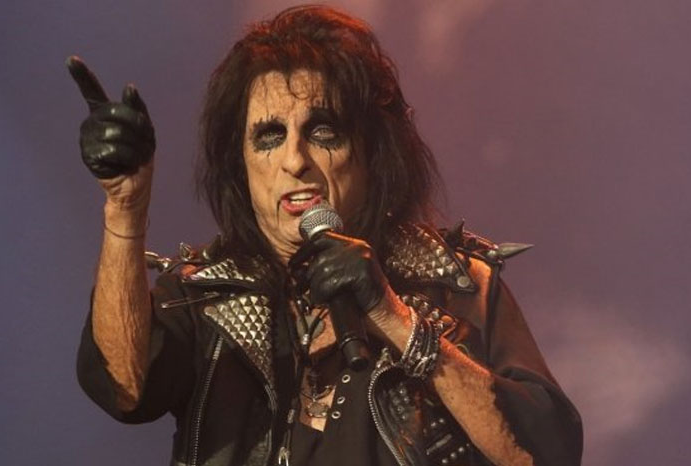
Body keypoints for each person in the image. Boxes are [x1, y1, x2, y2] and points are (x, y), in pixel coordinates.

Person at [69, 5, 582, 466]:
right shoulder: (204, 297)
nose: (295, 160)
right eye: (270, 136)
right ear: (240, 166)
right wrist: (125, 207)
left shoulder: (456, 285)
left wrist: (394, 318)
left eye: (322, 132)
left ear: (371, 153)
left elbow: (546, 455)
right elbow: (123, 390)